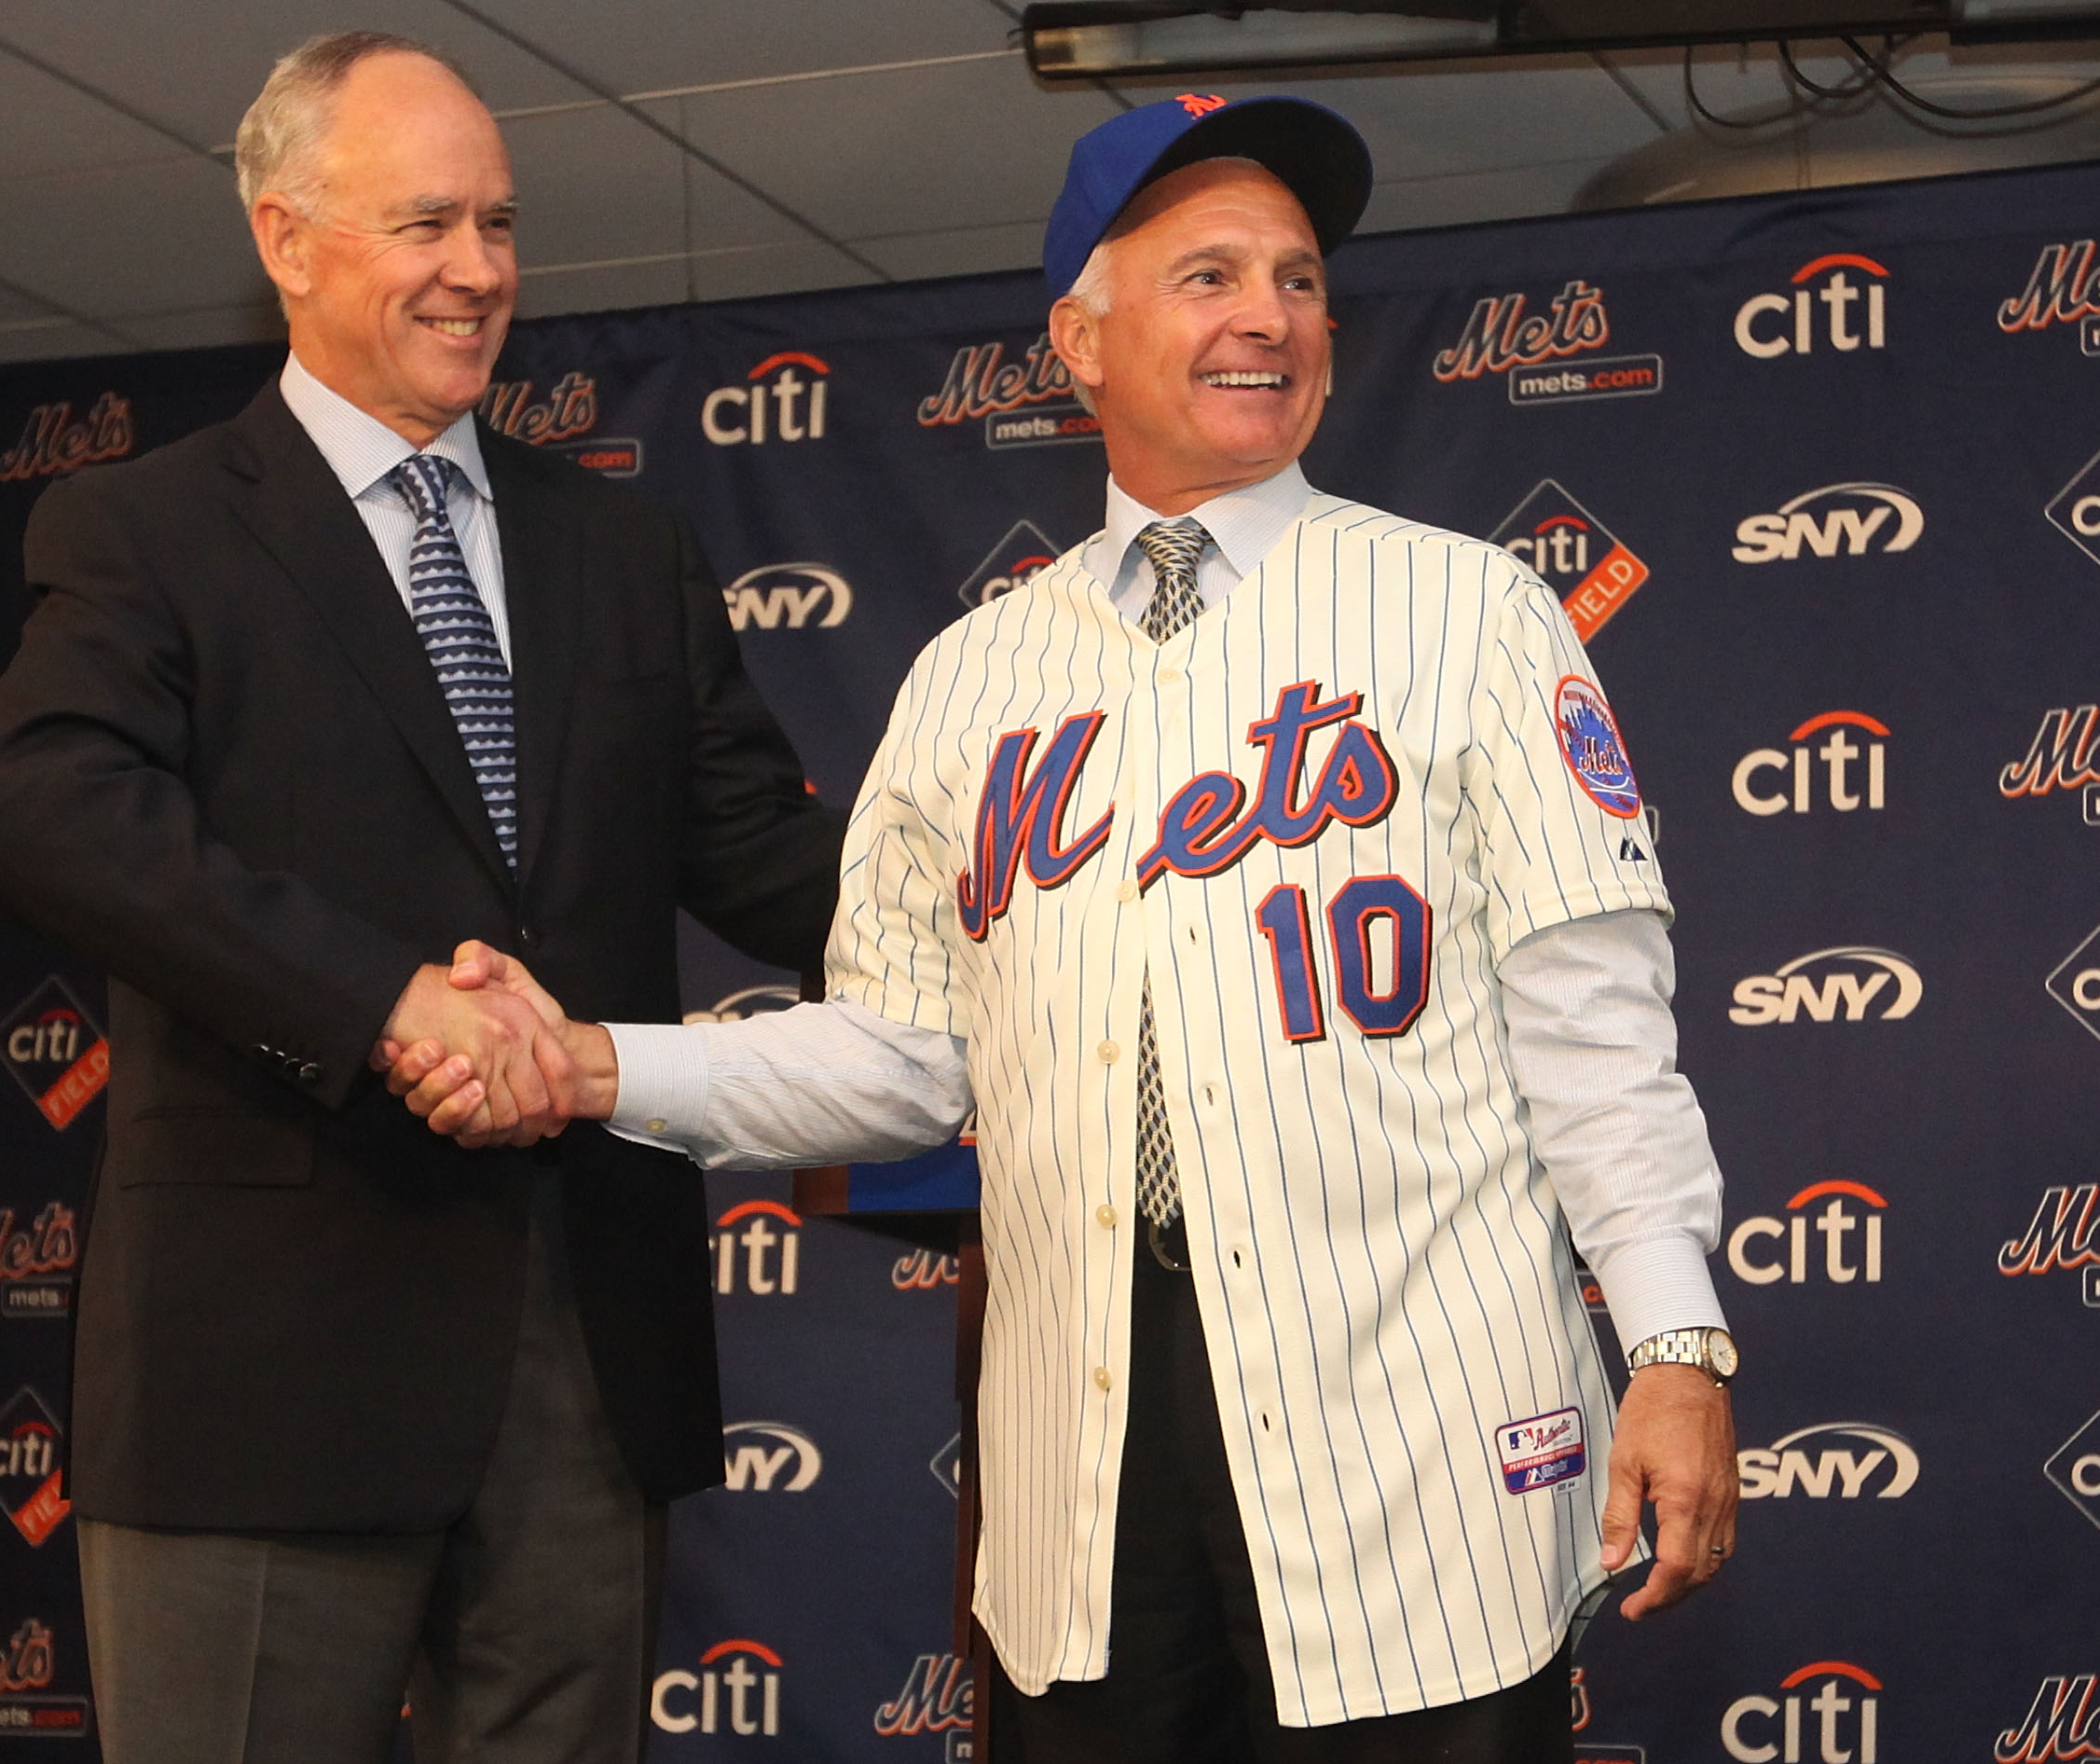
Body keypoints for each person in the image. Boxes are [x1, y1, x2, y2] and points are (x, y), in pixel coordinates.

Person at [386, 94, 1739, 1764]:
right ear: (1078, 341)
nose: (1268, 316)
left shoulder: (1469, 613)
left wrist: (1673, 1343)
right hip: (1084, 1470)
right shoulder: (974, 680)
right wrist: (596, 1069)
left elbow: (1594, 1035)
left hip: (1418, 1438)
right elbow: (893, 1061)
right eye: (1210, 275)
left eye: (1299, 280)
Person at [0, 32, 840, 1764]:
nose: (479, 268)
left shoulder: (618, 550)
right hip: (265, 1369)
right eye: (426, 220)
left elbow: (765, 857)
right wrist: (384, 1003)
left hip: (585, 1347)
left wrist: (1062, 894)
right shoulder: (145, 530)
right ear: (287, 239)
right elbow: (45, 814)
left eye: (500, 223)